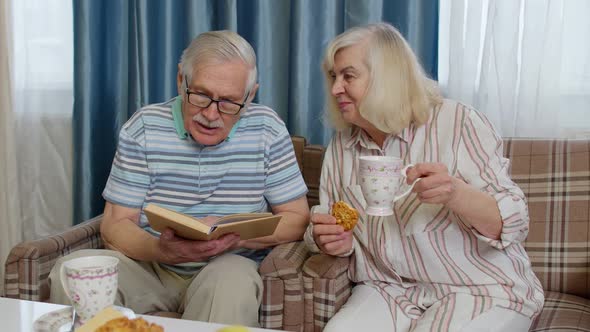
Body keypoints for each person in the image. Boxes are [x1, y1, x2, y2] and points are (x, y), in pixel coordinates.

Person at [49, 30, 309, 327]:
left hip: (226, 268)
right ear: (180, 80)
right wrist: (160, 250)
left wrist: (232, 233)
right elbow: (115, 224)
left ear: (249, 96)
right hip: (151, 267)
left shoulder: (268, 129)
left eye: (228, 103)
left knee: (233, 282)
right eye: (200, 95)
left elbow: (297, 218)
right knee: (67, 271)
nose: (211, 114)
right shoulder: (144, 127)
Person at [304, 22, 544, 331]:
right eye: (333, 77)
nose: (336, 88)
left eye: (348, 76)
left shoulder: (458, 122)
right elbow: (327, 222)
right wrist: (330, 240)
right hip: (389, 289)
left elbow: (515, 223)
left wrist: (456, 194)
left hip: (481, 288)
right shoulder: (342, 145)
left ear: (387, 77)